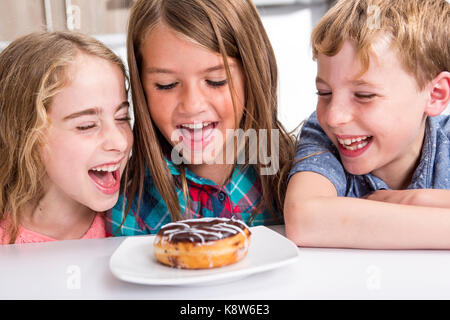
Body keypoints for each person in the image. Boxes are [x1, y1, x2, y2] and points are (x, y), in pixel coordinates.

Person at [108, 0, 296, 235]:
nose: (193, 104)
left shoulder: (296, 176)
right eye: (167, 85)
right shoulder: (128, 206)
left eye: (216, 80)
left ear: (253, 75)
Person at [285, 0, 450, 249]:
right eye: (324, 93)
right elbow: (304, 219)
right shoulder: (322, 136)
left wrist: (413, 199)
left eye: (364, 95)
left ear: (435, 94)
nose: (334, 117)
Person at [0, 32, 133, 244]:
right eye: (87, 126)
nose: (120, 142)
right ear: (27, 136)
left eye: (122, 117)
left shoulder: (136, 218)